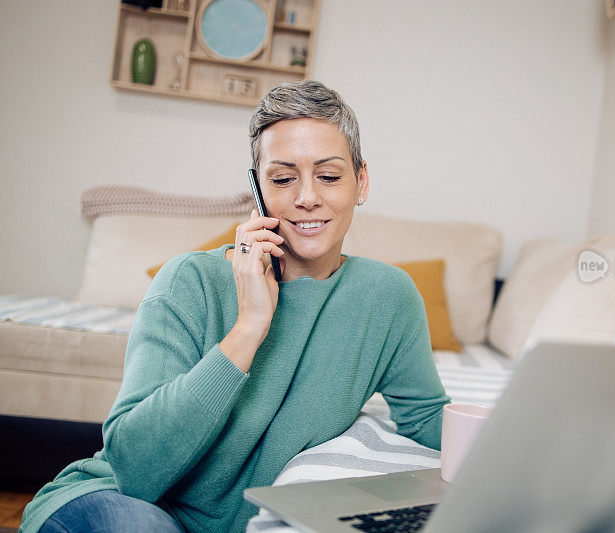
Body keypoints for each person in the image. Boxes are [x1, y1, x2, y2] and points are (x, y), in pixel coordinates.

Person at [21, 80, 450, 533]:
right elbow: (135, 468)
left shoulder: (388, 298)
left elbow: (426, 418)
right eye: (283, 179)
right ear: (256, 187)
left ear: (361, 182)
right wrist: (250, 325)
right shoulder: (190, 281)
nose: (307, 197)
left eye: (328, 175)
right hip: (113, 503)